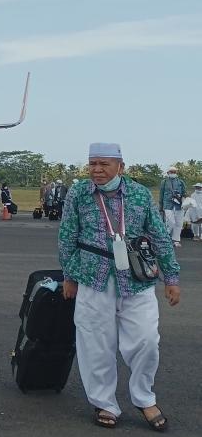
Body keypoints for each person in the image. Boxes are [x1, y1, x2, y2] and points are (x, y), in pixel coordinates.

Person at [58, 143, 180, 431]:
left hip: (136, 278)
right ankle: (105, 403)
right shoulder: (79, 193)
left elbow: (159, 235)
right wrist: (69, 276)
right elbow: (67, 235)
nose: (97, 170)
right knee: (95, 343)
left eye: (104, 164)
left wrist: (171, 278)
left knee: (146, 340)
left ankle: (144, 397)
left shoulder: (139, 193)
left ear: (120, 167)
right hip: (93, 276)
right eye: (93, 164)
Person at [159, 166, 187, 248]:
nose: (173, 173)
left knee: (179, 223)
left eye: (174, 172)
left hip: (179, 205)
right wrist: (160, 206)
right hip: (168, 204)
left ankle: (176, 240)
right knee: (171, 222)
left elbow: (185, 192)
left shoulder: (181, 182)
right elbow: (161, 194)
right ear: (168, 173)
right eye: (171, 172)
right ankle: (166, 237)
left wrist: (183, 199)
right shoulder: (164, 182)